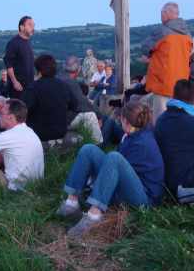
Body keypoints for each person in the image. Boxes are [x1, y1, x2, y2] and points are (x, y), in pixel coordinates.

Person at [56, 101, 164, 237]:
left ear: (126, 121)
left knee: (114, 157)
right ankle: (72, 202)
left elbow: (116, 172)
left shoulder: (142, 143)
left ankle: (94, 216)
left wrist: (93, 181)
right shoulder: (134, 133)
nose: (119, 122)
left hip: (144, 197)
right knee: (88, 149)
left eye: (121, 120)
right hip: (132, 186)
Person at [141, 2, 192, 123]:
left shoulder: (162, 32)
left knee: (161, 120)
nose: (161, 16)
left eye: (162, 13)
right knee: (178, 119)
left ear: (167, 13)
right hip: (181, 84)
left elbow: (145, 47)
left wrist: (150, 57)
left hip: (163, 83)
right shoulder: (188, 34)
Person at [24, 54, 78, 143]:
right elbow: (75, 106)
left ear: (38, 71)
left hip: (38, 133)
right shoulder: (64, 86)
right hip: (60, 131)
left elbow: (22, 111)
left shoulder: (33, 88)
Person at [60, 56, 104, 144]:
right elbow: (83, 104)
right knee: (90, 115)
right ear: (79, 69)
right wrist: (99, 115)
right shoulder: (71, 82)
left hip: (56, 117)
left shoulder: (59, 78)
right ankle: (98, 144)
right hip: (64, 120)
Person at [3, 16, 35, 100]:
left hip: (29, 86)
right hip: (18, 88)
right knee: (18, 112)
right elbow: (8, 64)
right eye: (30, 25)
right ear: (21, 27)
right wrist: (15, 82)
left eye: (33, 25)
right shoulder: (13, 43)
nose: (33, 28)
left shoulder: (28, 42)